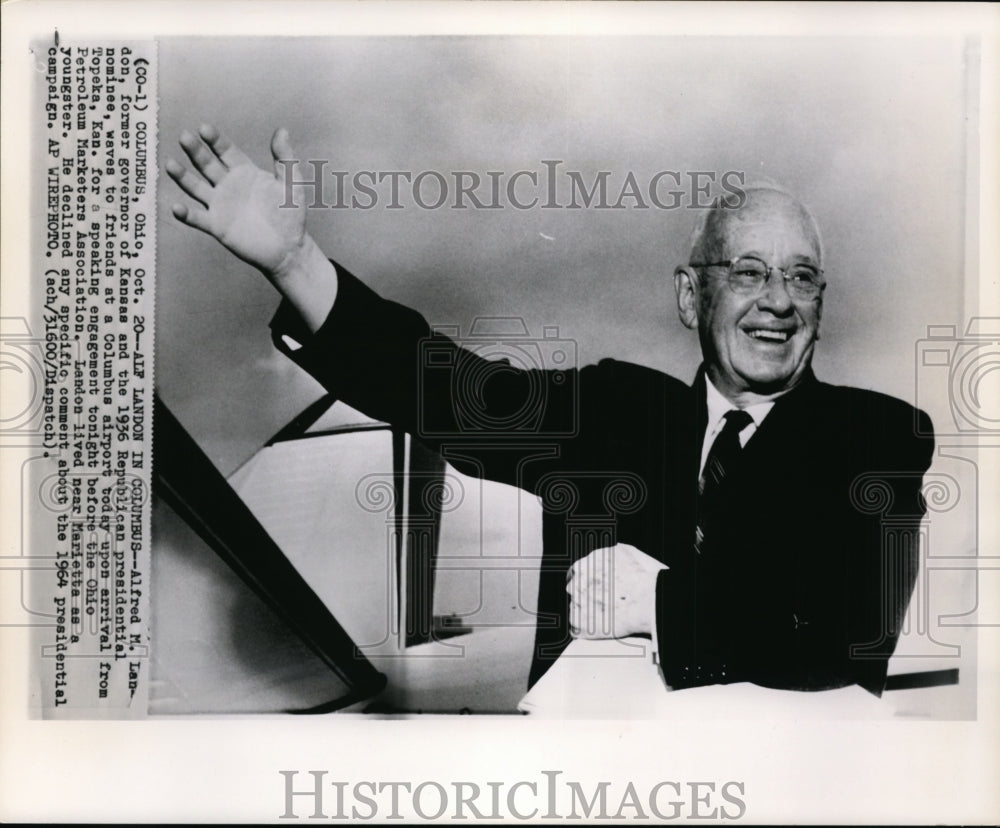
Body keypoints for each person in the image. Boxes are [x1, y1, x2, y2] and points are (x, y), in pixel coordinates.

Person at [167, 124, 934, 696]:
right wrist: (296, 262)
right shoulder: (617, 409)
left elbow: (844, 628)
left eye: (802, 278)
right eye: (748, 271)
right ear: (689, 294)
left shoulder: (875, 435)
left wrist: (656, 600)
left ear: (821, 305)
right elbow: (448, 395)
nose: (777, 301)